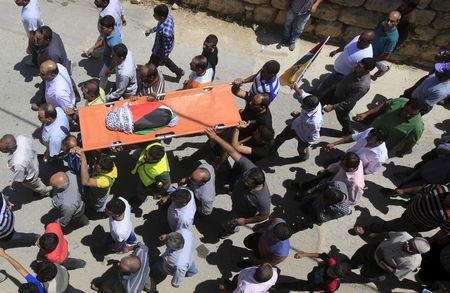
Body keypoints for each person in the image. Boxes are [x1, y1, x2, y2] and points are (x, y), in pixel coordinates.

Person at [205, 128, 271, 234]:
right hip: (236, 199)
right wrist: (215, 137)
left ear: (255, 185)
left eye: (246, 182)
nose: (243, 181)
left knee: (228, 224)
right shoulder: (250, 168)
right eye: (244, 178)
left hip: (241, 213)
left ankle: (229, 231)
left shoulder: (262, 199)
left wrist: (245, 221)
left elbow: (264, 215)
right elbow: (232, 151)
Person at [353, 183, 450, 242]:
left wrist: (430, 240)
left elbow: (445, 231)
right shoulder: (441, 189)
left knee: (392, 225)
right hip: (409, 212)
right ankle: (382, 233)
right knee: (397, 226)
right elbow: (422, 188)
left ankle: (371, 230)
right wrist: (403, 190)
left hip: (416, 224)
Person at [353, 97, 424, 157]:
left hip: (378, 147)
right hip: (368, 133)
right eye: (407, 111)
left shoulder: (417, 126)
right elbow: (383, 106)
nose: (408, 115)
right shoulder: (400, 101)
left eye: (412, 114)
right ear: (405, 105)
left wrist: (402, 152)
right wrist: (366, 114)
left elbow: (411, 142)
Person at [321, 58, 376, 135]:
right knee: (320, 101)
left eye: (359, 66)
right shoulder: (357, 71)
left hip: (342, 102)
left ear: (367, 70)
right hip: (336, 91)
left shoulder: (362, 86)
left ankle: (348, 132)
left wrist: (333, 107)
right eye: (358, 63)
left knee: (343, 119)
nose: (356, 66)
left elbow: (349, 102)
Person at [349, 232, 430, 282]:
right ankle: (351, 265)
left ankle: (377, 278)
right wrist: (374, 235)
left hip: (379, 267)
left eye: (411, 247)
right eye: (410, 241)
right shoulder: (404, 235)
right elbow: (388, 234)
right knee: (359, 255)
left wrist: (381, 260)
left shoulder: (412, 264)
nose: (407, 244)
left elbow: (395, 272)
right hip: (374, 248)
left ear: (416, 252)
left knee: (365, 273)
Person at [314, 31, 374, 97]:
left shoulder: (366, 56)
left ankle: (316, 95)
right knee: (330, 86)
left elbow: (361, 71)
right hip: (337, 69)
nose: (359, 40)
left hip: (343, 75)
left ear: (370, 42)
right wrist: (336, 51)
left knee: (327, 84)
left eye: (362, 40)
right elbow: (347, 45)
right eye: (360, 37)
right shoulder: (357, 38)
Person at [271, 84, 322, 161]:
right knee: (280, 137)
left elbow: (314, 134)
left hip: (305, 137)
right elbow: (302, 94)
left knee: (301, 150)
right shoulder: (311, 100)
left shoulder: (314, 122)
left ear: (312, 108)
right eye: (302, 104)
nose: (301, 107)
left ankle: (303, 157)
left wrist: (306, 144)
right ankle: (271, 151)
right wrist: (295, 87)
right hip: (295, 125)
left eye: (304, 107)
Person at [275, 251, 350, 292]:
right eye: (330, 269)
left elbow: (328, 291)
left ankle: (278, 286)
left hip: (315, 285)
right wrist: (304, 254)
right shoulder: (331, 261)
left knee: (298, 286)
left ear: (337, 278)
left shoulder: (332, 285)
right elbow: (320, 255)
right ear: (334, 265)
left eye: (332, 274)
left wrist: (320, 290)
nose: (329, 272)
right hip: (314, 275)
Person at [145, 4, 184, 80]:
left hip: (160, 50)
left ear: (162, 17)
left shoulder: (165, 33)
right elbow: (159, 26)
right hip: (162, 46)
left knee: (152, 63)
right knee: (166, 61)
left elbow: (164, 47)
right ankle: (179, 71)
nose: (153, 16)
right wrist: (151, 31)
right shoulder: (168, 17)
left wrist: (163, 57)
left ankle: (147, 75)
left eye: (155, 15)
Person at [73, 147, 117, 212]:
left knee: (96, 204)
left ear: (104, 171)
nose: (94, 166)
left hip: (97, 195)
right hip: (93, 189)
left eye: (97, 168)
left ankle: (96, 210)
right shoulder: (107, 162)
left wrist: (83, 161)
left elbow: (85, 182)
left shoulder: (105, 181)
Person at [93, 15, 122, 90]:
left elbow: (115, 59)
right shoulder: (110, 31)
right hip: (107, 57)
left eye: (103, 28)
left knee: (102, 75)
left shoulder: (114, 42)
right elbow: (103, 41)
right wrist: (93, 48)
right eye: (101, 27)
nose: (100, 29)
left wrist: (109, 69)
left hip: (110, 61)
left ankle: (101, 91)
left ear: (110, 28)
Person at [371, 11, 401, 81]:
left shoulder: (393, 38)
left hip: (376, 55)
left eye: (392, 21)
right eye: (388, 19)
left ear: (397, 22)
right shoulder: (382, 24)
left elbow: (386, 56)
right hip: (371, 48)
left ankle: (384, 69)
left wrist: (372, 60)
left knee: (371, 62)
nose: (388, 23)